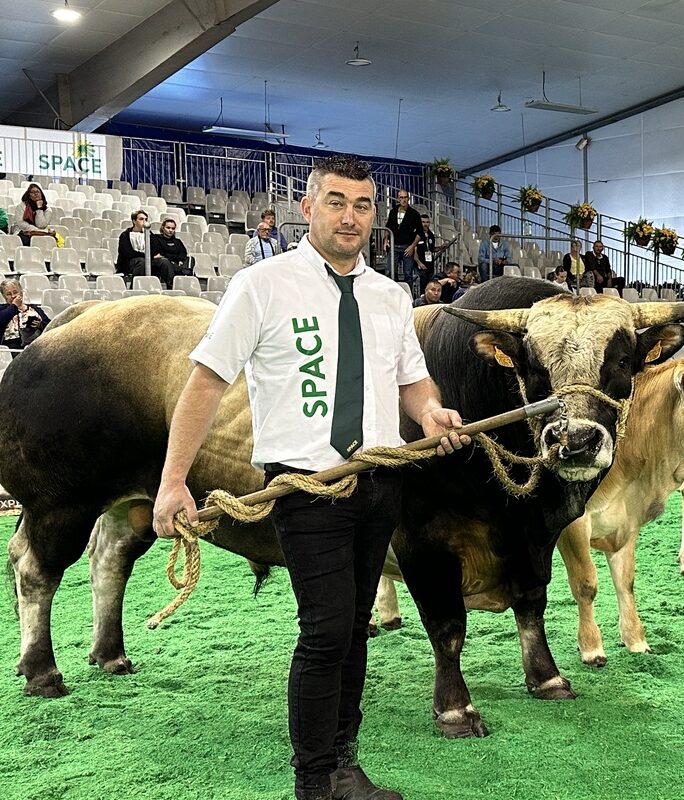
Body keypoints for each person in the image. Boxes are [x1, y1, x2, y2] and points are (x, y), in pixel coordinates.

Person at [151, 155, 468, 800]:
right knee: (326, 627)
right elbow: (207, 380)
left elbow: (411, 379)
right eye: (335, 201)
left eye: (361, 205)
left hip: (380, 483)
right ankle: (314, 781)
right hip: (307, 488)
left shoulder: (390, 295)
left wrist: (431, 410)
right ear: (307, 205)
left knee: (353, 628)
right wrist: (173, 479)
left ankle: (342, 764)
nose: (349, 217)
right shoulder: (261, 285)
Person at [385, 189, 421, 291]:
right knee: (391, 272)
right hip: (394, 246)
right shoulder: (393, 212)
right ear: (398, 199)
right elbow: (388, 227)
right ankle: (393, 293)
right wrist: (385, 240)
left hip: (407, 247)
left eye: (405, 197)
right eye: (401, 197)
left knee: (408, 274)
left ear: (408, 198)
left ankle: (407, 296)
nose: (403, 200)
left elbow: (419, 233)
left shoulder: (414, 214)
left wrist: (412, 247)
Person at [0, 279, 51, 350]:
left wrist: (40, 325)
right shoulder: (1, 309)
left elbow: (49, 327)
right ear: (4, 296)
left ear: (21, 293)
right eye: (8, 294)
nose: (13, 296)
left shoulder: (35, 309)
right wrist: (14, 306)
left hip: (33, 348)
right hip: (7, 349)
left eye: (15, 292)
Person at [150, 217, 191, 289]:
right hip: (163, 263)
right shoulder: (156, 238)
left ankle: (186, 281)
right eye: (168, 228)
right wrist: (174, 258)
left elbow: (183, 254)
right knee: (165, 261)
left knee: (190, 259)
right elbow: (159, 253)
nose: (170, 230)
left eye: (173, 228)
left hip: (176, 262)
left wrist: (174, 259)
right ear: (163, 228)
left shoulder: (177, 241)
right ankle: (171, 286)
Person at [415, 213, 449, 291]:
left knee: (430, 282)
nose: (425, 224)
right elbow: (414, 250)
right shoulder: (416, 234)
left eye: (427, 222)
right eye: (423, 222)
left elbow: (432, 249)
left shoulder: (431, 235)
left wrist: (441, 247)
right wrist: (419, 263)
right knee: (423, 281)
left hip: (429, 263)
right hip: (420, 263)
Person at [116, 209, 151, 280]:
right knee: (141, 262)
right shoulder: (125, 235)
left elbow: (155, 250)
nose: (144, 221)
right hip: (129, 262)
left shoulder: (150, 235)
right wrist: (144, 255)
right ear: (134, 221)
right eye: (141, 219)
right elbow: (128, 253)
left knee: (163, 262)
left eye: (146, 219)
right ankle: (135, 287)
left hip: (146, 260)